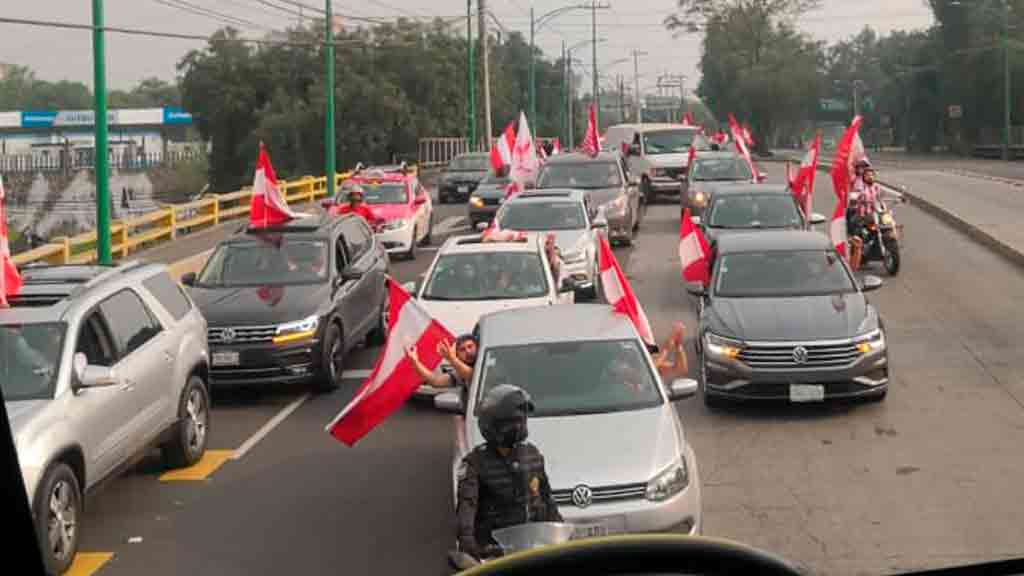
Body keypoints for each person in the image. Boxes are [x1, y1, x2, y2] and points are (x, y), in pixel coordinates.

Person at [454, 385, 562, 561]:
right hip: (493, 554)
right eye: (513, 422)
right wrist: (468, 545)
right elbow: (467, 507)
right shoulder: (475, 463)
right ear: (494, 424)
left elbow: (547, 500)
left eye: (522, 421)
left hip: (532, 549)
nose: (519, 427)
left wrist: (560, 536)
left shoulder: (532, 455)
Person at [406, 334, 477, 389]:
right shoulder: (460, 373)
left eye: (470, 346)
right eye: (462, 350)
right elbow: (435, 381)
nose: (468, 351)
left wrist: (452, 359)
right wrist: (415, 363)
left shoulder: (485, 362)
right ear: (458, 355)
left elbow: (473, 376)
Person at [848, 165, 882, 272]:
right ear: (864, 177)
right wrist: (856, 198)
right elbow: (854, 195)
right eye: (868, 175)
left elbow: (883, 196)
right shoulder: (860, 187)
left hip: (875, 214)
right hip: (862, 215)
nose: (870, 177)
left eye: (872, 175)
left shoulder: (877, 187)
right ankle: (856, 253)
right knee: (858, 233)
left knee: (887, 223)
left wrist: (899, 196)